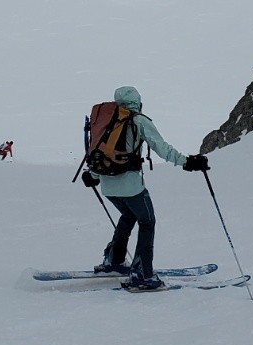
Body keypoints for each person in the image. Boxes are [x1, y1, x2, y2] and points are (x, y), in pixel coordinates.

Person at [82, 85, 208, 289]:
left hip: (106, 185)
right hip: (130, 186)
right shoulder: (139, 121)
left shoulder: (107, 122)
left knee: (129, 216)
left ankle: (113, 261)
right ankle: (142, 273)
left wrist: (94, 175)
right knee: (147, 221)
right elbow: (161, 147)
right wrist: (187, 162)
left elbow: (99, 152)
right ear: (137, 102)